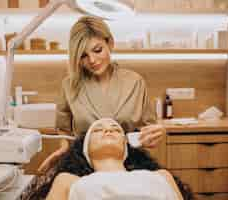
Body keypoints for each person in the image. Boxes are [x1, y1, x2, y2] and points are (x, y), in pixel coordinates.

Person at [38, 16, 165, 173]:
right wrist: (64, 148)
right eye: (83, 56)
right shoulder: (70, 85)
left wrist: (156, 133)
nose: (92, 60)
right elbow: (64, 129)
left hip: (129, 165)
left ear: (110, 43)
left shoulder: (134, 81)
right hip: (84, 167)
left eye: (97, 50)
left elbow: (149, 128)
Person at [41, 118, 193, 200]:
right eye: (98, 130)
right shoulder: (68, 181)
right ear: (85, 149)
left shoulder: (161, 175)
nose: (107, 130)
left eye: (115, 129)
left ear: (125, 144)